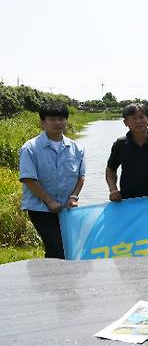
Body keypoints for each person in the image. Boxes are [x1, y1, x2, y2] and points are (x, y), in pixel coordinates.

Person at [19, 102, 85, 258]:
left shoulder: (77, 148)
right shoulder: (30, 148)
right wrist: (49, 201)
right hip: (40, 209)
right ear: (42, 122)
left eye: (61, 119)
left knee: (69, 247)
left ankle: (56, 279)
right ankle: (51, 280)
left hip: (67, 209)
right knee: (57, 248)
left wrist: (74, 196)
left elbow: (81, 176)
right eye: (52, 119)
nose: (58, 123)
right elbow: (28, 178)